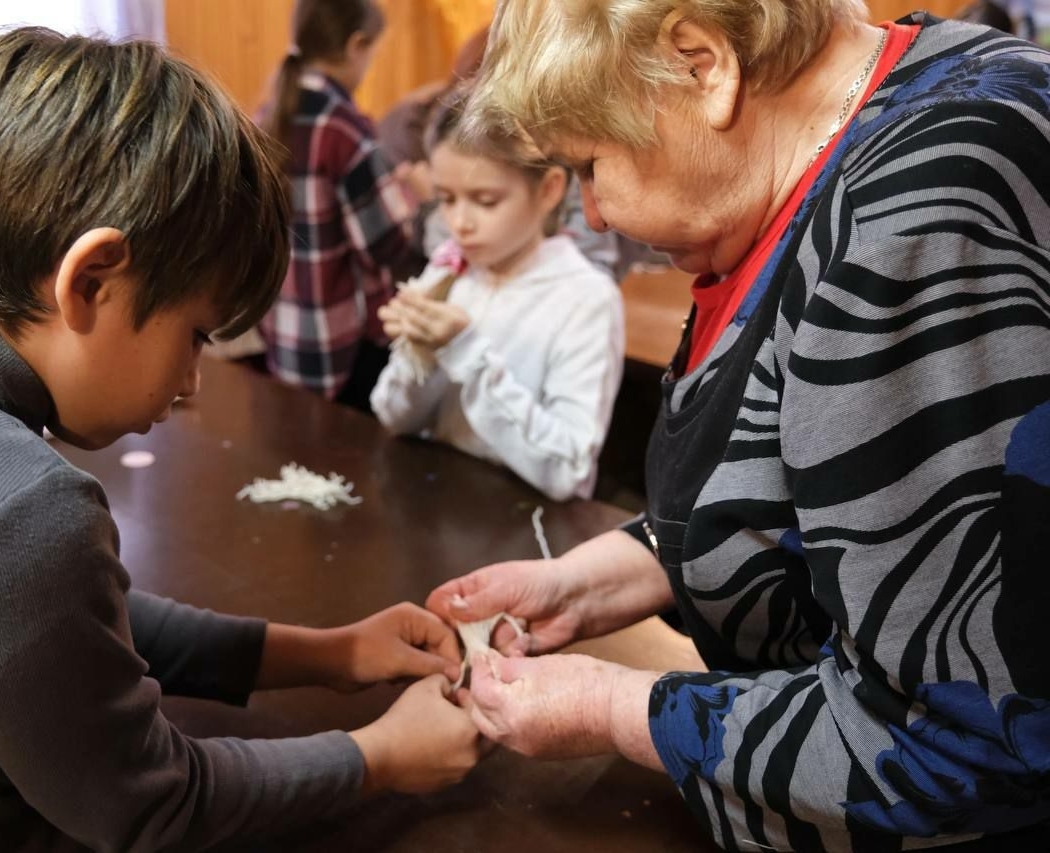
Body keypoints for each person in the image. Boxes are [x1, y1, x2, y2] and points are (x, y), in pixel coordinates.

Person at [0, 27, 482, 851]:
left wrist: (330, 653)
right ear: (91, 280)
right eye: (196, 334)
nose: (191, 383)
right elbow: (152, 805)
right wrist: (379, 754)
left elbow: (63, 620)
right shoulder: (11, 511)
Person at [427, 2, 1050, 850]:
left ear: (700, 64)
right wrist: (604, 575)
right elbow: (834, 482)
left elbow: (954, 738)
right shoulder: (878, 115)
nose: (596, 215)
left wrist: (614, 708)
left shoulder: (916, 225)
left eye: (590, 164)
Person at [370, 90, 624, 501]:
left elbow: (567, 471)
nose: (460, 223)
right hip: (439, 503)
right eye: (446, 200)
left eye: (485, 201)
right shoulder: (449, 271)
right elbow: (393, 416)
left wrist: (464, 351)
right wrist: (420, 352)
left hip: (526, 524)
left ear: (548, 190)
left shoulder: (586, 299)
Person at [258, 0, 418, 413]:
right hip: (342, 347)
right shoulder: (345, 128)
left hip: (281, 334)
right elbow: (385, 246)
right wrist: (415, 195)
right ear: (356, 45)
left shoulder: (267, 116)